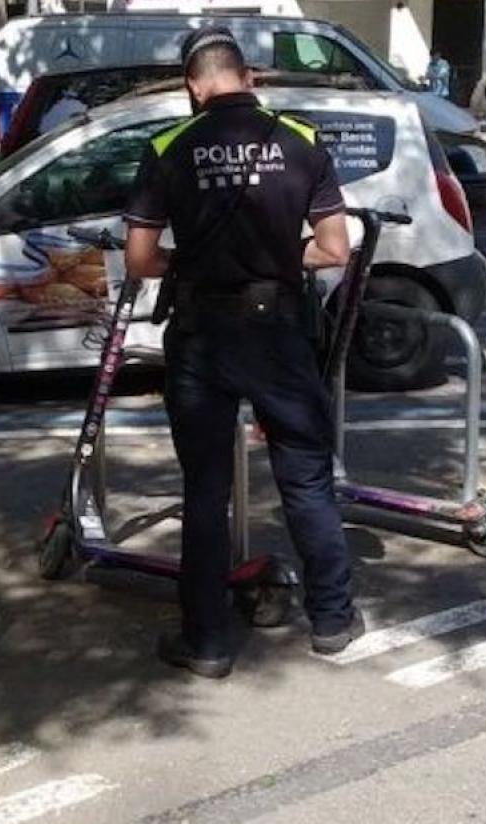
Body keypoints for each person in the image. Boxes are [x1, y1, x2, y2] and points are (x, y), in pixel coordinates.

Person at [123, 26, 361, 679]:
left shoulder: (169, 146)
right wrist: (279, 257)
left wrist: (193, 261)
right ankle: (333, 621)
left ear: (191, 87)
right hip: (280, 331)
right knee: (306, 479)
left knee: (206, 491)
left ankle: (208, 643)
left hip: (201, 334)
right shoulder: (302, 140)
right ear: (249, 77)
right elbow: (334, 249)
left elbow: (141, 260)